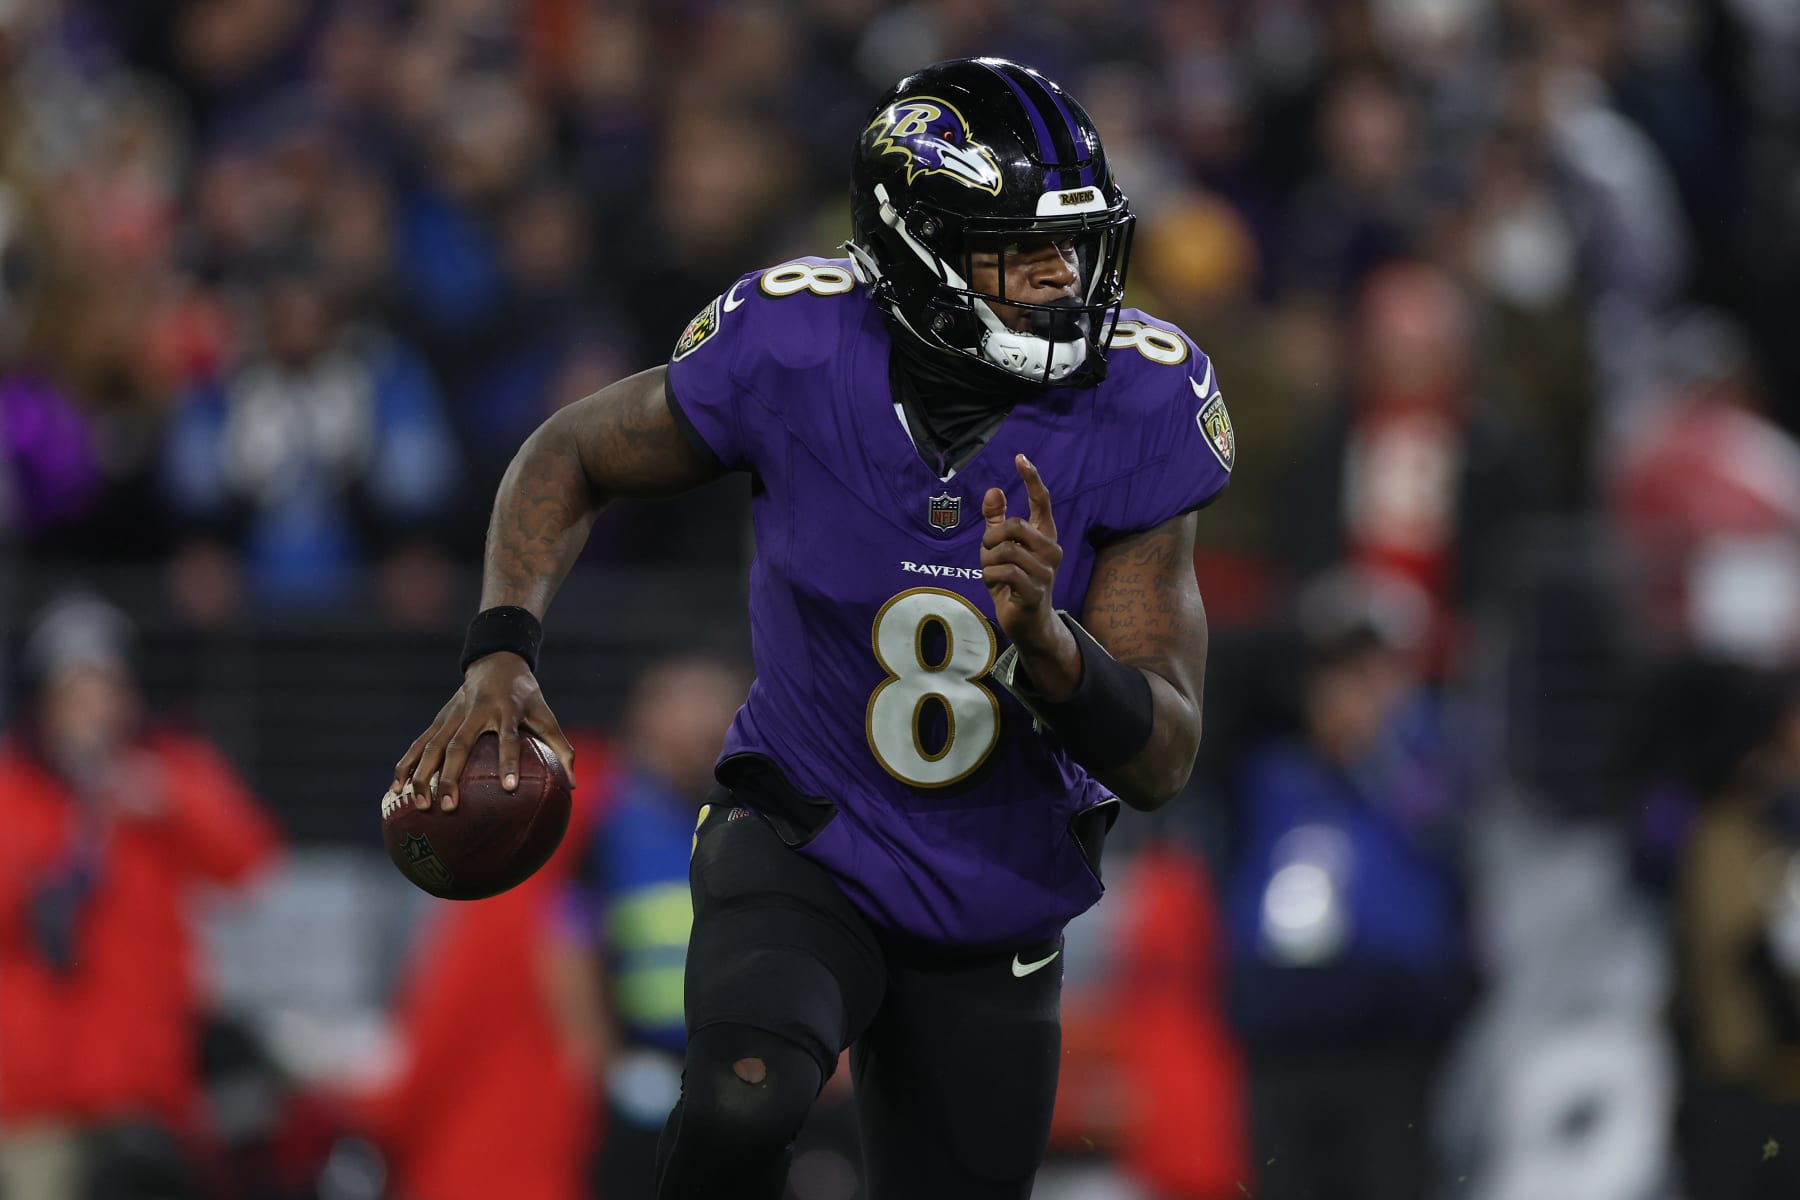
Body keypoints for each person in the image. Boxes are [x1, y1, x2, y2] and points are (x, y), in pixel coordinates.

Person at [392, 57, 1232, 1198]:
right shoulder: (792, 345)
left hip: (1000, 882)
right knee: (744, 1103)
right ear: (917, 248)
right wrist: (499, 647)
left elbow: (1165, 757)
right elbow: (569, 451)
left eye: (1071, 243)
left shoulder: (1141, 401)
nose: (1059, 277)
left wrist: (1053, 650)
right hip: (806, 834)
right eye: (1016, 248)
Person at [0, 593, 281, 1200]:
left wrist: (169, 805)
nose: (91, 711)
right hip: (33, 1093)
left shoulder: (166, 774)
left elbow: (251, 859)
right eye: (74, 694)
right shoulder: (14, 790)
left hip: (142, 1084)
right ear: (43, 704)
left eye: (104, 690)